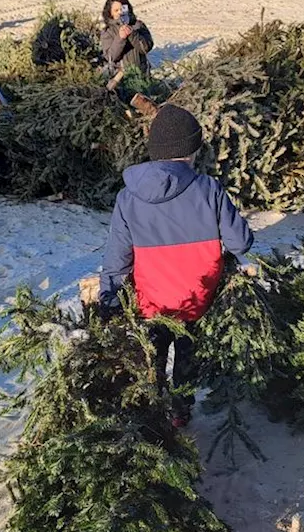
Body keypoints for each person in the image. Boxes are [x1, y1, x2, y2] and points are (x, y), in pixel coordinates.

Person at [99, 105, 253, 428]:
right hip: (197, 303)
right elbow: (241, 242)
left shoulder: (128, 198)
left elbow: (117, 259)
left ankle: (153, 407)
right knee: (186, 358)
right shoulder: (209, 190)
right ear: (191, 151)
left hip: (151, 304)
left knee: (151, 357)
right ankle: (181, 411)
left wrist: (109, 300)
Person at [99, 0, 153, 87]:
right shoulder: (108, 31)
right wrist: (120, 38)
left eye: (122, 9)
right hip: (121, 81)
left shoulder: (138, 26)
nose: (120, 13)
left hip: (142, 77)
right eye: (116, 10)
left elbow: (146, 47)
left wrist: (132, 34)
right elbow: (111, 57)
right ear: (110, 13)